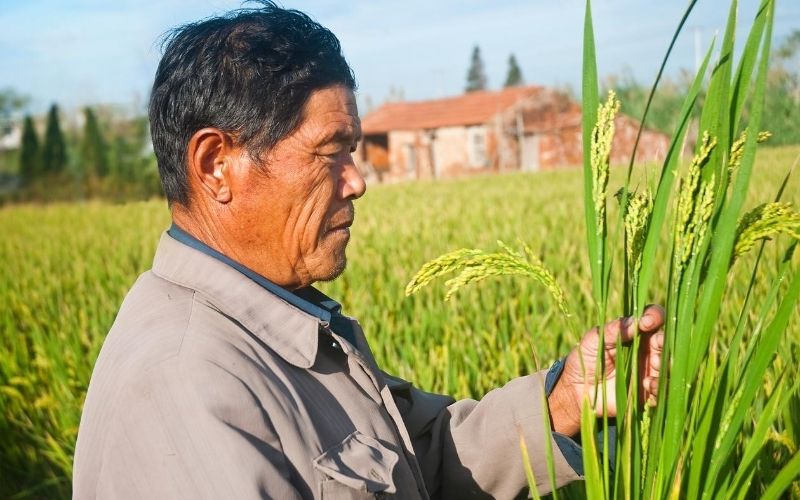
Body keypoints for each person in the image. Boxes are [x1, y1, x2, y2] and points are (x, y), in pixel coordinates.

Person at [72, 3, 665, 499]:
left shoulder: (278, 322)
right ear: (216, 165)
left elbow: (421, 457)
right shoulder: (187, 386)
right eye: (331, 152)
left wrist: (564, 404)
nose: (356, 181)